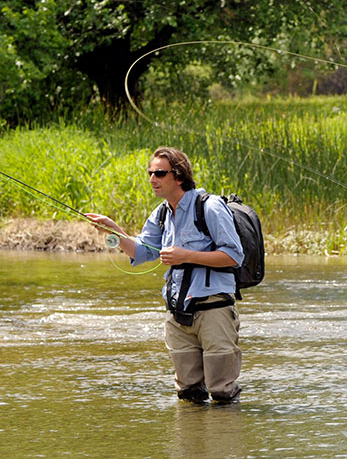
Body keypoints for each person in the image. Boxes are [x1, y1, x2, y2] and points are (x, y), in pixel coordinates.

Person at [86, 147, 245, 404]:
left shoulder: (210, 207)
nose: (152, 179)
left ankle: (222, 442)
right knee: (188, 395)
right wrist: (112, 229)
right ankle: (191, 444)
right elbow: (140, 251)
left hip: (214, 310)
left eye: (159, 173)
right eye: (150, 173)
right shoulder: (161, 213)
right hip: (177, 315)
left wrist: (186, 256)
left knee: (222, 393)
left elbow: (234, 256)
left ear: (179, 176)